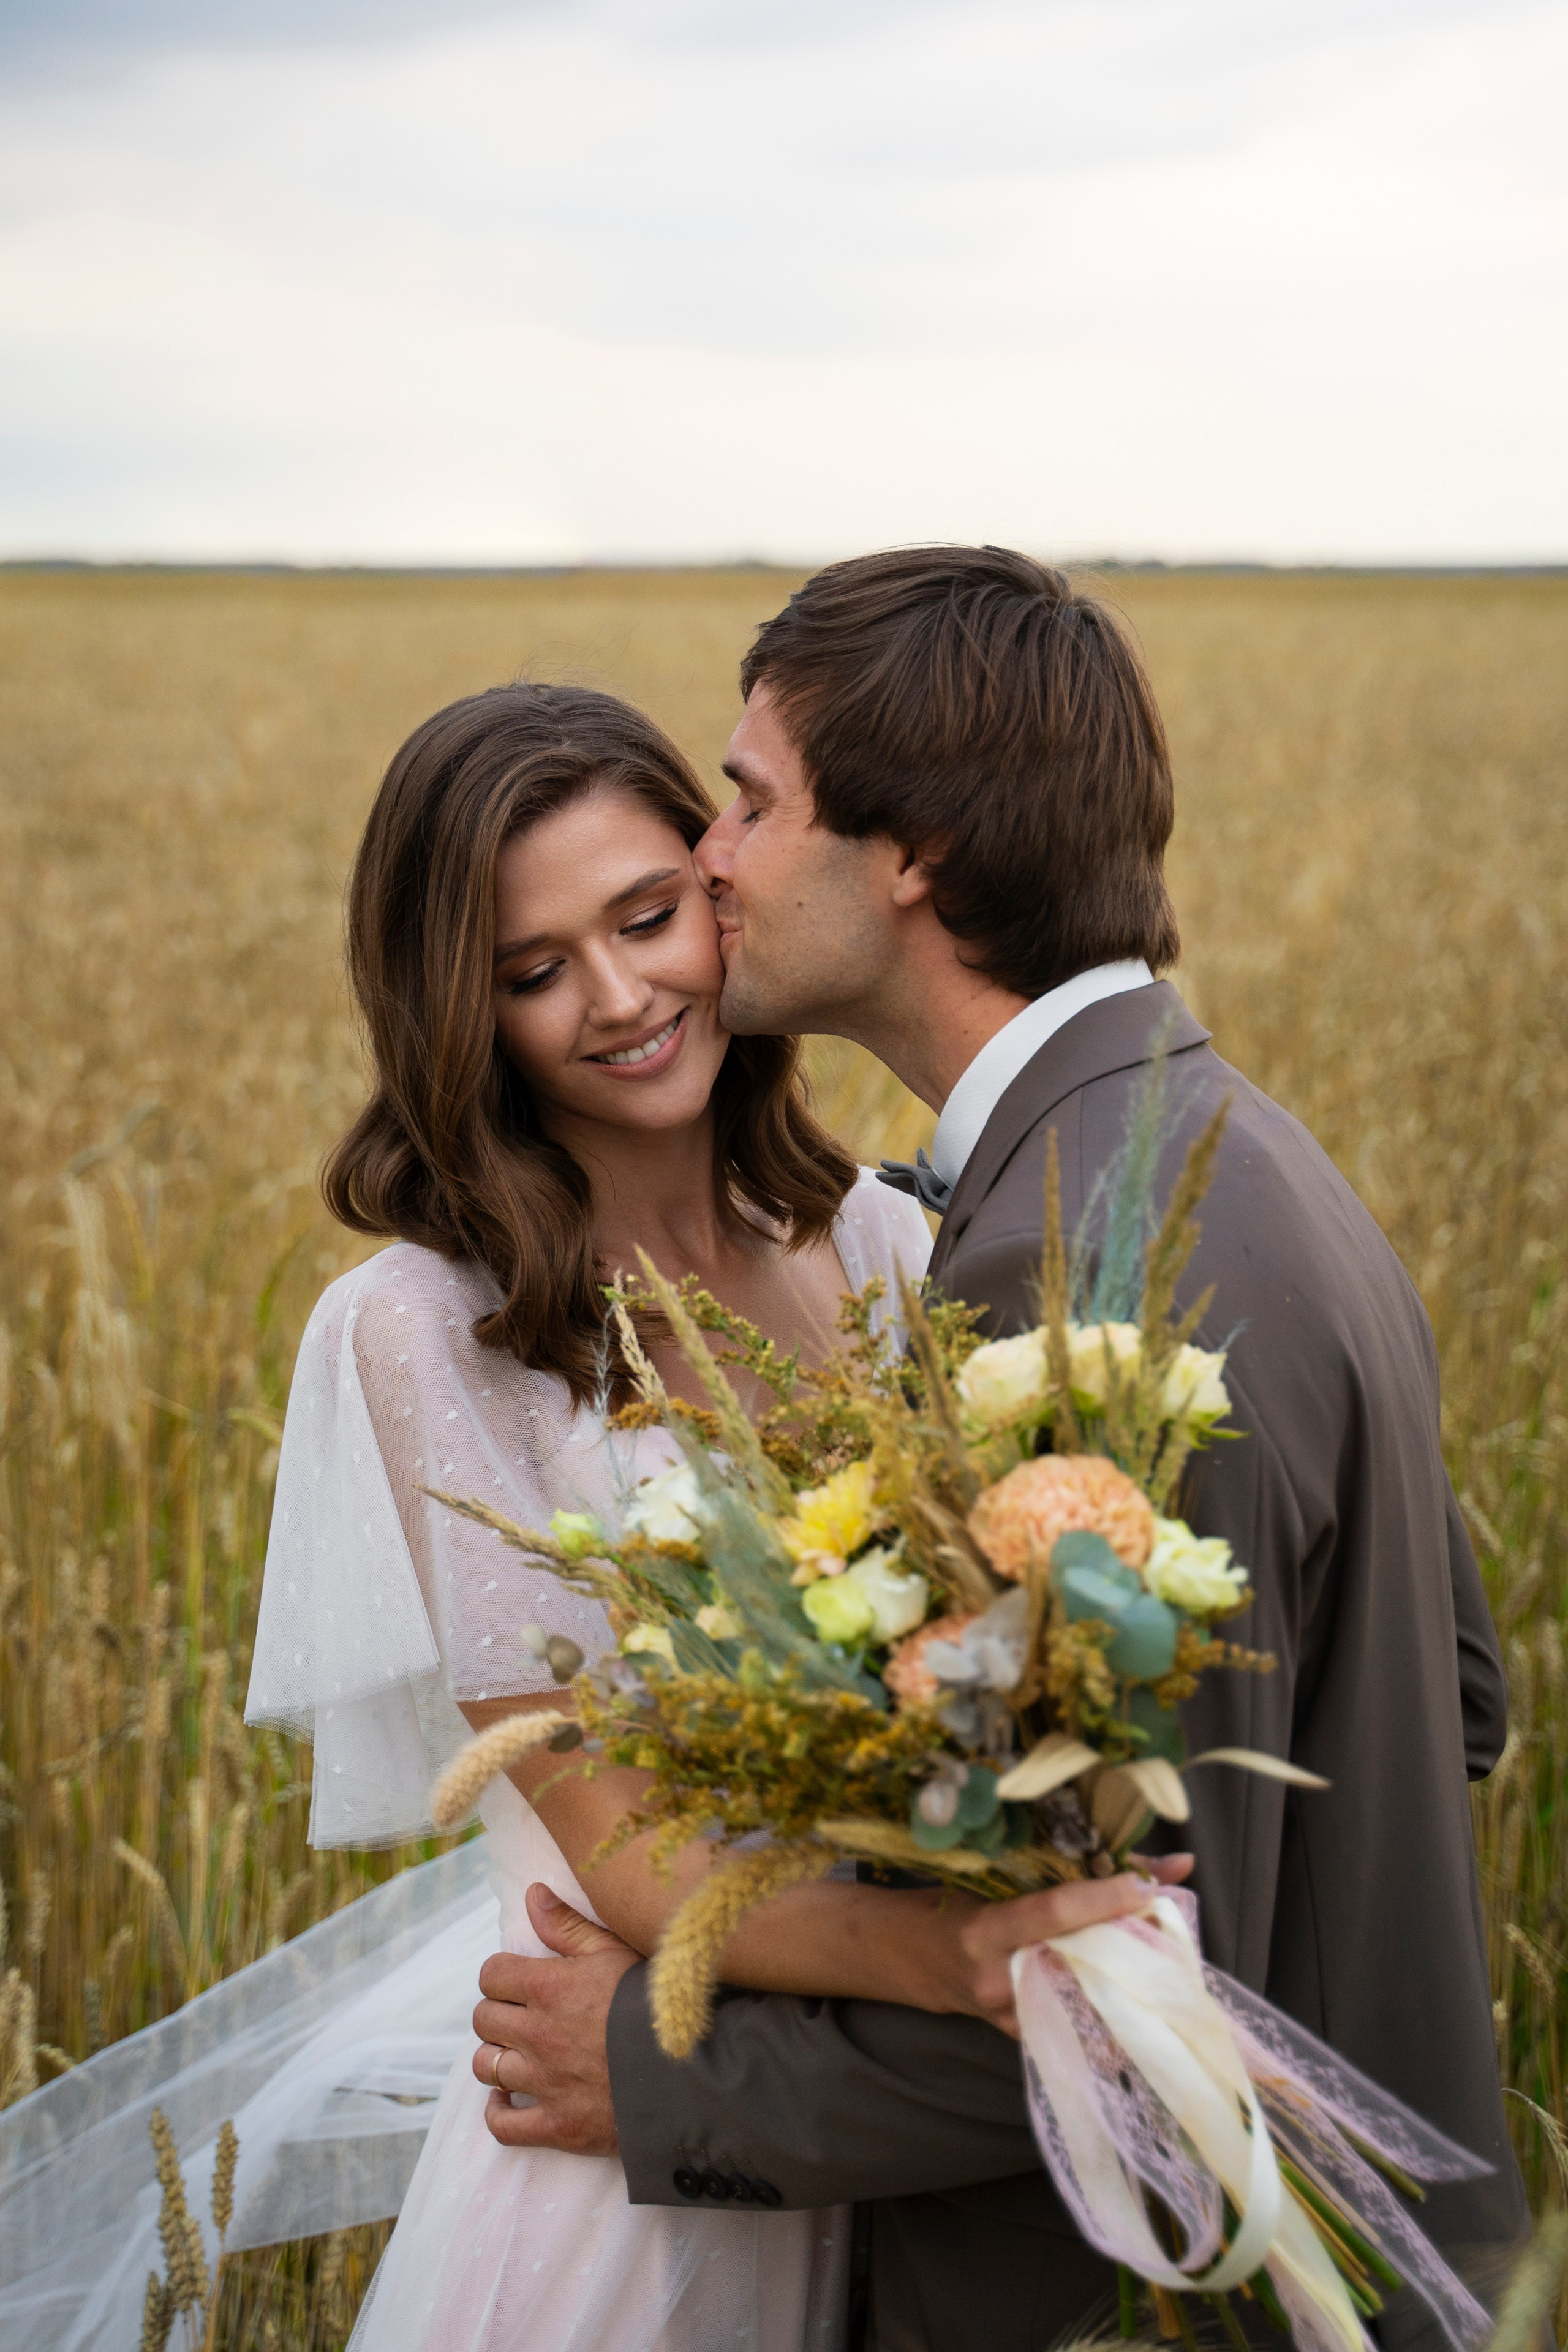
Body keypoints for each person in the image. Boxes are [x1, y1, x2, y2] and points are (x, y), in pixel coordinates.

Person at [474, 550, 1528, 2352]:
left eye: (749, 800)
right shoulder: (1231, 1148)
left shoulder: (1075, 1268)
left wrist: (663, 2078)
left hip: (1206, 2295)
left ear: (918, 857)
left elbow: (1121, 1960)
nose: (712, 860)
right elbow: (1458, 1699)